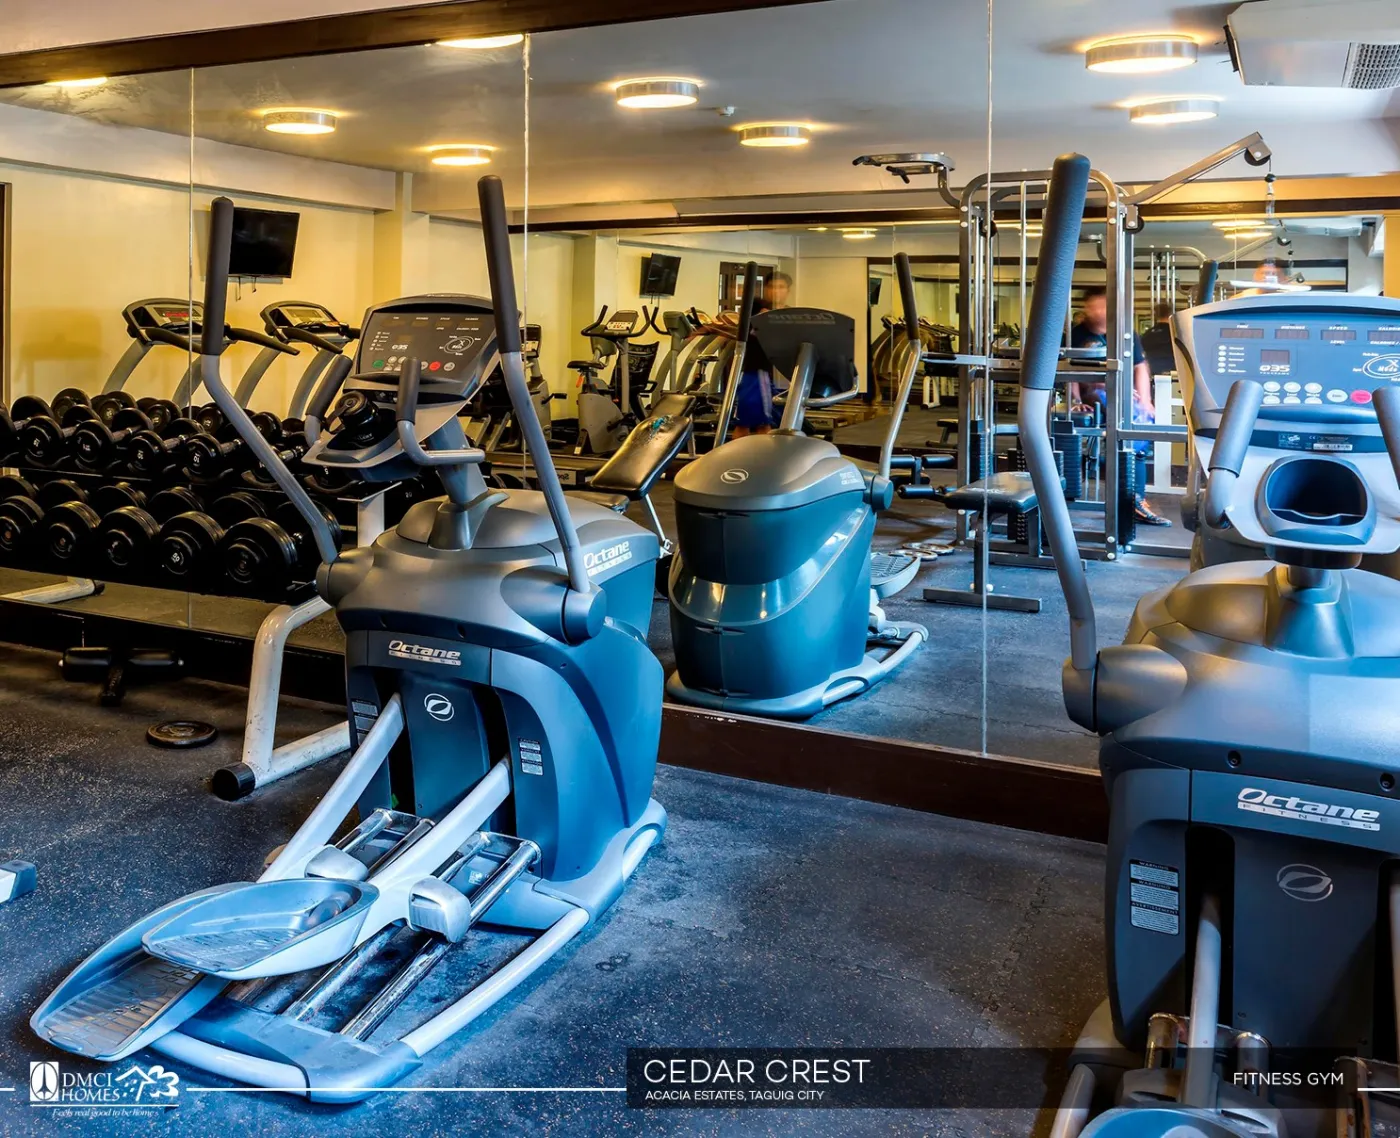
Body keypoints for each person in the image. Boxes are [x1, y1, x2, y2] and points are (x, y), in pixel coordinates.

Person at [1066, 286, 1170, 527]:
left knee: (1141, 424)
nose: (1099, 311)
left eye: (1104, 306)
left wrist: (1146, 401)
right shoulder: (1075, 334)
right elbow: (1069, 371)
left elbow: (1140, 367)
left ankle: (1136, 499)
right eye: (1094, 306)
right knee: (1116, 407)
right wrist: (1075, 401)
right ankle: (1131, 499)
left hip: (1122, 395)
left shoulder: (1125, 332)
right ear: (1086, 308)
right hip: (1094, 395)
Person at [1138, 301, 1176, 379]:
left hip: (1152, 371)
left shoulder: (1147, 334)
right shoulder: (1175, 333)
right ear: (1170, 314)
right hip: (1173, 372)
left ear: (1156, 315)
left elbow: (1141, 351)